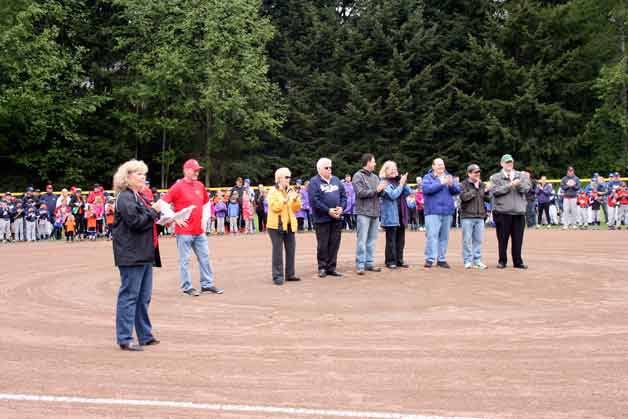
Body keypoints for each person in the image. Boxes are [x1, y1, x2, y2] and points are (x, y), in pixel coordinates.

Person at [111, 159, 162, 351]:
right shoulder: (124, 197)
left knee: (143, 297)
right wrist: (153, 212)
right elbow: (135, 222)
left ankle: (144, 335)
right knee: (130, 295)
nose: (143, 178)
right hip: (131, 253)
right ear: (127, 177)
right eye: (139, 174)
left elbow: (146, 220)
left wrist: (161, 217)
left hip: (144, 252)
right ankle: (124, 337)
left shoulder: (138, 197)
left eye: (144, 174)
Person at [161, 159, 223, 296]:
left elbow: (207, 204)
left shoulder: (200, 186)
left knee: (205, 257)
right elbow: (162, 203)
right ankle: (186, 286)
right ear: (186, 170)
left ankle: (207, 284)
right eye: (194, 170)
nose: (197, 172)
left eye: (198, 170)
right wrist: (175, 217)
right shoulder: (177, 187)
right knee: (185, 260)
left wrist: (205, 220)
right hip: (184, 232)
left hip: (198, 231)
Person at [489, 154, 531, 269]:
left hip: (518, 213)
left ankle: (518, 261)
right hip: (502, 212)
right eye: (507, 162)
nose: (509, 164)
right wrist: (510, 185)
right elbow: (495, 191)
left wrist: (518, 185)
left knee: (518, 239)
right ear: (502, 164)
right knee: (502, 239)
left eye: (510, 162)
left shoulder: (521, 175)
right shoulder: (495, 177)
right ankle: (502, 261)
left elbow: (527, 189)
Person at [308, 157, 346, 278]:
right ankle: (322, 267)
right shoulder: (314, 182)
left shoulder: (336, 180)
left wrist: (341, 208)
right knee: (323, 244)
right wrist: (328, 210)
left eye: (330, 167)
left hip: (336, 218)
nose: (330, 169)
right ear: (319, 169)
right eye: (326, 167)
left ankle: (331, 267)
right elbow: (314, 200)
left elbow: (344, 196)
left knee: (334, 243)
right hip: (322, 219)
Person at [422, 158, 461, 268]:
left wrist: (451, 185)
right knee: (432, 236)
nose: (441, 167)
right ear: (433, 166)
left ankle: (441, 259)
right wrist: (441, 183)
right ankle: (430, 259)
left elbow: (457, 190)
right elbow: (427, 189)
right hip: (432, 211)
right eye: (438, 165)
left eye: (442, 164)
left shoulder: (449, 176)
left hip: (447, 211)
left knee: (444, 237)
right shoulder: (427, 177)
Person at [267, 168, 302, 285]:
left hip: (289, 224)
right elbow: (275, 208)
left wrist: (296, 200)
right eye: (287, 177)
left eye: (289, 177)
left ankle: (290, 274)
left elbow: (296, 209)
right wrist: (285, 200)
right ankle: (277, 276)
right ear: (279, 179)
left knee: (291, 250)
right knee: (277, 251)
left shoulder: (291, 191)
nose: (289, 179)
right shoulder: (273, 191)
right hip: (275, 226)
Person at [352, 153, 385, 275]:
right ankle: (360, 264)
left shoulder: (376, 177)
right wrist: (377, 190)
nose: (375, 164)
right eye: (374, 161)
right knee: (362, 240)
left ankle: (369, 263)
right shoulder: (358, 176)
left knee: (372, 240)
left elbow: (379, 194)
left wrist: (382, 190)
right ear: (368, 162)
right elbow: (360, 193)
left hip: (375, 212)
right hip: (363, 213)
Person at [379, 161, 410, 269]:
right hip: (391, 215)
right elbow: (392, 195)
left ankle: (399, 260)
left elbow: (407, 192)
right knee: (391, 240)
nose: (394, 170)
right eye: (391, 168)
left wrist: (403, 183)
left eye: (395, 168)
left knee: (401, 239)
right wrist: (401, 184)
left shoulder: (397, 181)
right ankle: (390, 261)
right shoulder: (384, 182)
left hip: (401, 213)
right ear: (385, 170)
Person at [459, 164, 489, 269]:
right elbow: (464, 197)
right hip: (467, 216)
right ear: (469, 173)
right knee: (467, 240)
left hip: (480, 216)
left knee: (478, 240)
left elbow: (487, 199)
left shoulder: (482, 185)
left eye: (478, 172)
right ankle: (467, 261)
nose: (477, 174)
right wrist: (475, 189)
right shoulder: (463, 184)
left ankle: (477, 260)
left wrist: (488, 192)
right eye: (475, 172)